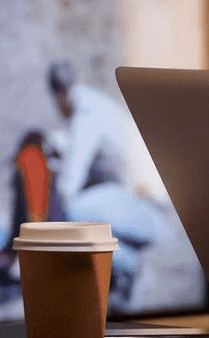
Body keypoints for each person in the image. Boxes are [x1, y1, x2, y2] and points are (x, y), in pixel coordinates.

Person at [46, 59, 170, 310]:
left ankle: (134, 269)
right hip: (143, 208)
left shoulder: (86, 115)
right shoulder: (92, 103)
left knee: (72, 212)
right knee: (78, 208)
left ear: (58, 94)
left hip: (153, 216)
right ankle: (123, 275)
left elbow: (68, 185)